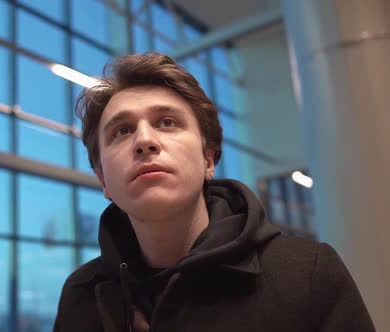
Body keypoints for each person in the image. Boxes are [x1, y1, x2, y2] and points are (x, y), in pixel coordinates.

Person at [53, 53, 374, 332]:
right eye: (122, 131)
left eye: (166, 122)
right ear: (103, 181)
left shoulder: (308, 274)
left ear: (208, 160)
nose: (144, 140)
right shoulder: (81, 294)